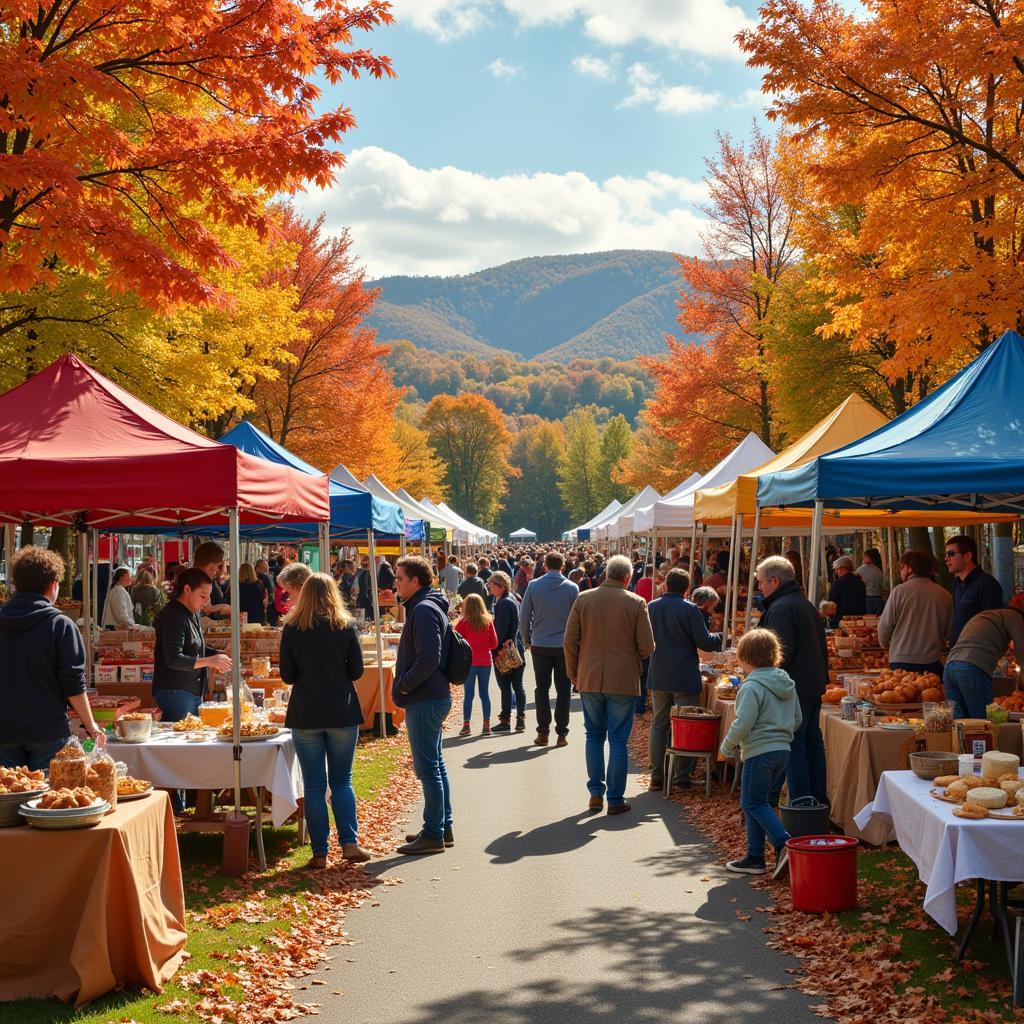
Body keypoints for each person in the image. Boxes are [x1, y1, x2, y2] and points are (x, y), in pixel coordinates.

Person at [279, 572, 369, 868]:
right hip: (340, 710)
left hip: (306, 712)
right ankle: (349, 842)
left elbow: (287, 676)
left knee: (315, 784)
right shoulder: (344, 627)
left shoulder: (292, 629)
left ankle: (320, 851)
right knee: (342, 780)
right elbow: (356, 671)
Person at [564, 554, 654, 815]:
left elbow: (570, 640)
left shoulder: (584, 598)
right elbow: (647, 646)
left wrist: (573, 672)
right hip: (623, 679)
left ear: (605, 575)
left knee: (593, 735)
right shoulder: (636, 602)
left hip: (590, 676)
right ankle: (615, 797)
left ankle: (595, 792)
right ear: (627, 578)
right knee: (617, 739)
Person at [0, 546, 105, 769]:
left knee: (6, 799)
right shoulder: (61, 625)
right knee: (48, 800)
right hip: (48, 730)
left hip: (4, 730)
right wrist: (91, 725)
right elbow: (74, 685)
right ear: (53, 585)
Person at [720, 628, 801, 879]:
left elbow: (742, 722)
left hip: (759, 751)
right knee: (762, 803)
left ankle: (783, 844)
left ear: (746, 658)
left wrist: (726, 745)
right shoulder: (785, 682)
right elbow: (797, 718)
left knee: (752, 802)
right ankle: (755, 857)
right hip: (782, 751)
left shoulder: (751, 686)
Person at [393, 555, 454, 855]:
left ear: (415, 581)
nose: (396, 583)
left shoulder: (424, 609)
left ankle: (434, 833)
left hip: (425, 697)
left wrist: (404, 682)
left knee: (428, 767)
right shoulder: (425, 606)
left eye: (400, 578)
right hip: (429, 695)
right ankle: (442, 826)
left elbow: (429, 657)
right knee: (435, 764)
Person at [756, 556, 829, 805]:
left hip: (792, 690)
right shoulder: (803, 604)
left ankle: (802, 807)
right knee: (812, 747)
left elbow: (779, 656)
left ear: (774, 581)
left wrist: (764, 687)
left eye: (761, 582)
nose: (759, 588)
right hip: (810, 686)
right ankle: (817, 803)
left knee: (795, 750)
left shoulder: (781, 608)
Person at [647, 569, 722, 791]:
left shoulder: (651, 606)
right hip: (683, 674)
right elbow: (705, 642)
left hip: (659, 672)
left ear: (666, 585)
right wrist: (721, 636)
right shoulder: (689, 609)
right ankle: (681, 776)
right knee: (687, 725)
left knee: (659, 725)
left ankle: (657, 774)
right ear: (687, 588)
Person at [519, 551, 579, 747]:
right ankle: (562, 733)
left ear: (545, 565)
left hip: (541, 644)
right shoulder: (572, 588)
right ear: (563, 566)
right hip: (563, 646)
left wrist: (527, 640)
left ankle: (543, 731)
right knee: (563, 690)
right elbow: (578, 620)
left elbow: (525, 616)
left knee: (541, 689)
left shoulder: (534, 586)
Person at [943, 599, 1024, 719]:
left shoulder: (987, 615)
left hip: (950, 668)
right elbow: (1022, 651)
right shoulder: (1015, 616)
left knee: (959, 725)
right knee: (984, 725)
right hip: (972, 668)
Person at [877, 550, 951, 675]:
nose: (900, 571)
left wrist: (884, 644)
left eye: (901, 567)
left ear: (909, 568)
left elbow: (885, 627)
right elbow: (949, 632)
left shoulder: (899, 592)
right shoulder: (944, 594)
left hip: (901, 660)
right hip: (932, 661)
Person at [945, 533, 1004, 644]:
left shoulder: (987, 584)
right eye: (946, 554)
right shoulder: (956, 583)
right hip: (957, 651)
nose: (946, 559)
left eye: (951, 554)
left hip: (976, 653)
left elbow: (993, 624)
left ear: (967, 556)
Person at [488, 571, 527, 733]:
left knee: (505, 686)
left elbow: (501, 630)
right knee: (518, 685)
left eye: (491, 584)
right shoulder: (513, 598)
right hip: (516, 647)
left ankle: (505, 720)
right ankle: (520, 719)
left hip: (505, 650)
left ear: (500, 586)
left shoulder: (503, 603)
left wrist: (494, 649)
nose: (489, 587)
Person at [454, 593, 498, 737]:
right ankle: (486, 724)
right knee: (484, 694)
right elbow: (494, 643)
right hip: (485, 661)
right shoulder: (488, 621)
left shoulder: (464, 623)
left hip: (470, 663)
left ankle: (466, 725)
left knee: (469, 694)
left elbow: (455, 640)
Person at [192, 541, 231, 618]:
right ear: (210, 564)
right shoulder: (196, 580)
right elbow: (207, 609)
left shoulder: (202, 579)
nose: (216, 571)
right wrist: (226, 606)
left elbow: (207, 608)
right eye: (217, 566)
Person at [826, 555, 866, 625]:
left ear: (841, 569)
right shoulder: (860, 581)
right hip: (859, 619)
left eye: (836, 569)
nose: (836, 572)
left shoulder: (838, 583)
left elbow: (831, 602)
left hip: (843, 620)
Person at [857, 548, 887, 615]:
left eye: (864, 557)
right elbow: (882, 587)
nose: (863, 559)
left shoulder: (859, 570)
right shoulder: (879, 571)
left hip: (866, 599)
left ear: (868, 558)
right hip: (878, 600)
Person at [254, 558, 276, 624]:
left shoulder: (268, 575)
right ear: (257, 569)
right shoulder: (264, 577)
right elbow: (268, 591)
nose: (266, 569)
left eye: (267, 567)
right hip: (265, 605)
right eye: (264, 568)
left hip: (265, 604)